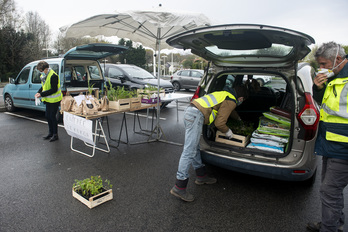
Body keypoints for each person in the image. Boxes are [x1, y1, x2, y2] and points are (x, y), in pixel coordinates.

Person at [170, 85, 248, 202]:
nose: (241, 102)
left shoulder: (225, 94)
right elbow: (219, 123)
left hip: (191, 112)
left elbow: (230, 111)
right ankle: (179, 187)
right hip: (196, 115)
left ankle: (201, 176)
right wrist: (228, 131)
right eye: (242, 100)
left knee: (195, 148)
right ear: (241, 98)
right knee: (189, 151)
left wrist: (239, 120)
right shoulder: (231, 100)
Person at [307, 42, 348, 232]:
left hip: (344, 147)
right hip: (330, 143)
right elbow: (327, 106)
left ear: (338, 60)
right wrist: (318, 89)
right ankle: (334, 223)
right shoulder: (335, 77)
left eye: (323, 64)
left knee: (329, 191)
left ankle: (329, 228)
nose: (321, 69)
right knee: (330, 189)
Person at [34, 61, 63, 142]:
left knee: (52, 116)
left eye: (41, 70)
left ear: (46, 69)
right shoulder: (44, 75)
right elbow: (43, 86)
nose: (41, 72)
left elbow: (54, 89)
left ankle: (55, 134)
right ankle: (50, 133)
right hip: (48, 99)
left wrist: (41, 94)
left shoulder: (53, 76)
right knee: (47, 116)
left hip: (54, 100)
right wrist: (39, 92)